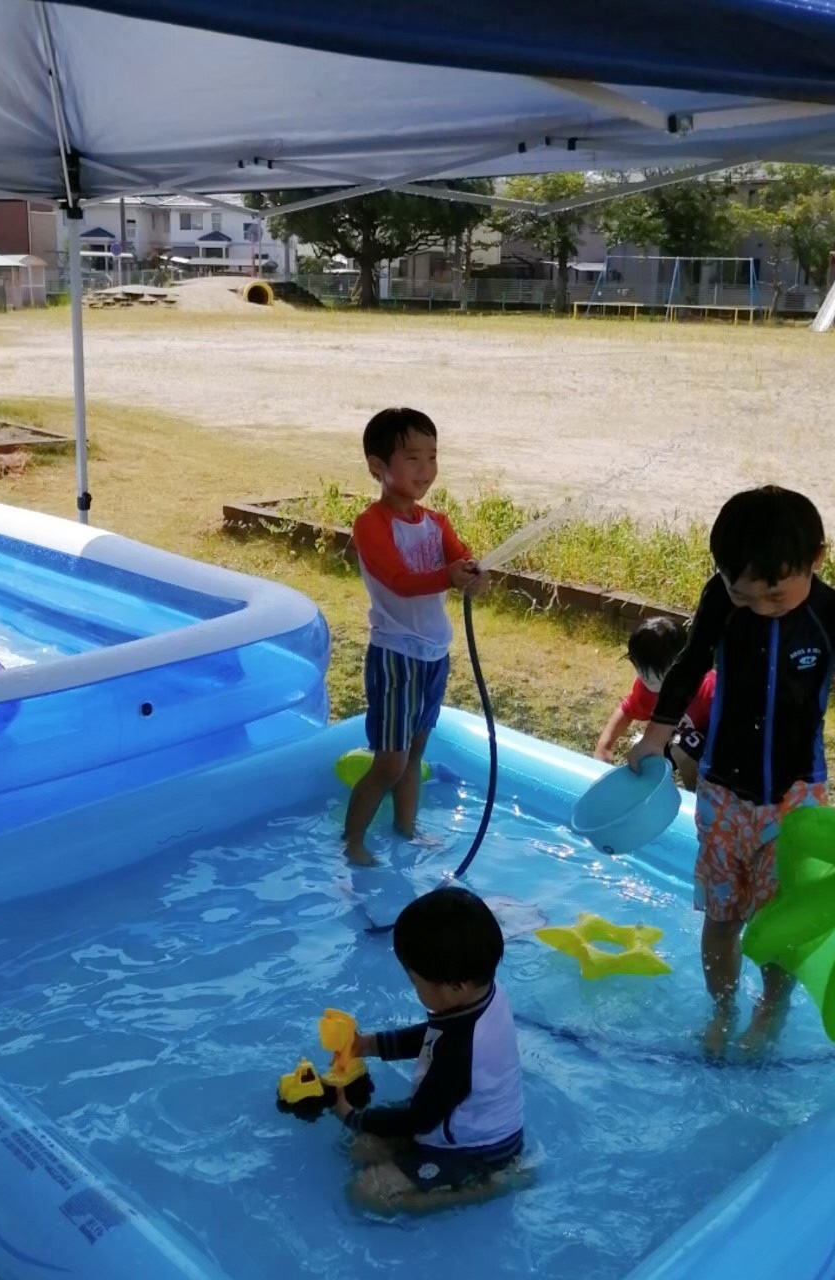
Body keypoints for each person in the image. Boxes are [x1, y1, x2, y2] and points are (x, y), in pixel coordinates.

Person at [628, 486, 835, 1060]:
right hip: (721, 791)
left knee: (780, 924)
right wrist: (655, 736)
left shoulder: (834, 616)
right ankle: (723, 1008)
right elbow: (689, 663)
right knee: (722, 918)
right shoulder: (723, 602)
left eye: (774, 595)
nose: (759, 606)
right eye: (741, 593)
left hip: (796, 799)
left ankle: (771, 1006)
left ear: (815, 559)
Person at [343, 407, 488, 866]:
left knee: (416, 751)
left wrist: (473, 574)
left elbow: (461, 561)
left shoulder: (437, 523)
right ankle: (352, 842)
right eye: (413, 458)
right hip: (395, 656)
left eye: (432, 457)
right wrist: (449, 576)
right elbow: (400, 580)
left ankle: (406, 829)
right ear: (377, 467)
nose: (426, 469)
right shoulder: (371, 524)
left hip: (433, 655)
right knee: (389, 761)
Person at [332, 886, 525, 1212]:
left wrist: (352, 1116)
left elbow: (418, 1118)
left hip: (478, 1151)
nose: (414, 988)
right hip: (459, 1121)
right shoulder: (483, 993)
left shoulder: (460, 1050)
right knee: (359, 1150)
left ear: (455, 986)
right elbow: (436, 1034)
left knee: (367, 1194)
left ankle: (491, 1186)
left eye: (415, 981)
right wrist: (371, 1044)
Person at [593, 616, 715, 790]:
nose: (648, 683)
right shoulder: (648, 688)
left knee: (684, 748)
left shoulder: (708, 690)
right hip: (673, 738)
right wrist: (604, 745)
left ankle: (695, 794)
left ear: (683, 667)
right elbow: (627, 710)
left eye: (656, 678)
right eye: (643, 675)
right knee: (642, 752)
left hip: (708, 746)